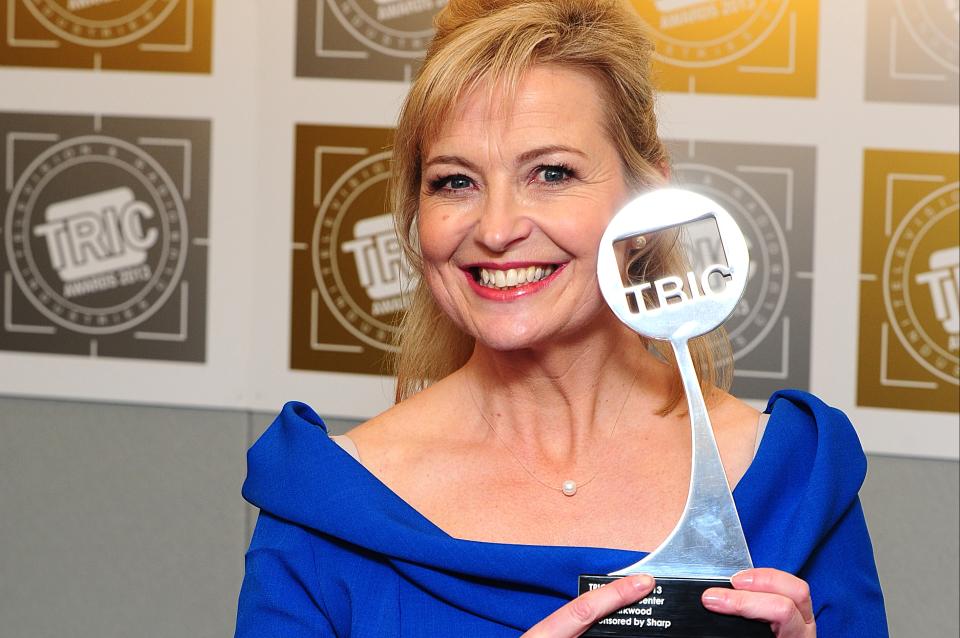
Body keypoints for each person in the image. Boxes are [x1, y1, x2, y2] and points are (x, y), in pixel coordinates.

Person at [236, 1, 888, 636]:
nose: (496, 230)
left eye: (551, 172)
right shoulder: (327, 507)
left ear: (646, 204)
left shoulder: (794, 484)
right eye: (455, 182)